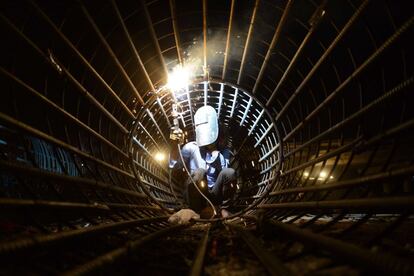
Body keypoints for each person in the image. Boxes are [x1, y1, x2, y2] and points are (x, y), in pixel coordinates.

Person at [169, 105, 236, 218]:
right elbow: (174, 166)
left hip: (214, 193)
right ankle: (196, 211)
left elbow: (225, 173)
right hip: (195, 192)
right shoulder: (191, 148)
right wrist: (175, 146)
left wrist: (216, 153)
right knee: (200, 172)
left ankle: (221, 208)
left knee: (230, 172)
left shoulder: (224, 151)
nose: (208, 145)